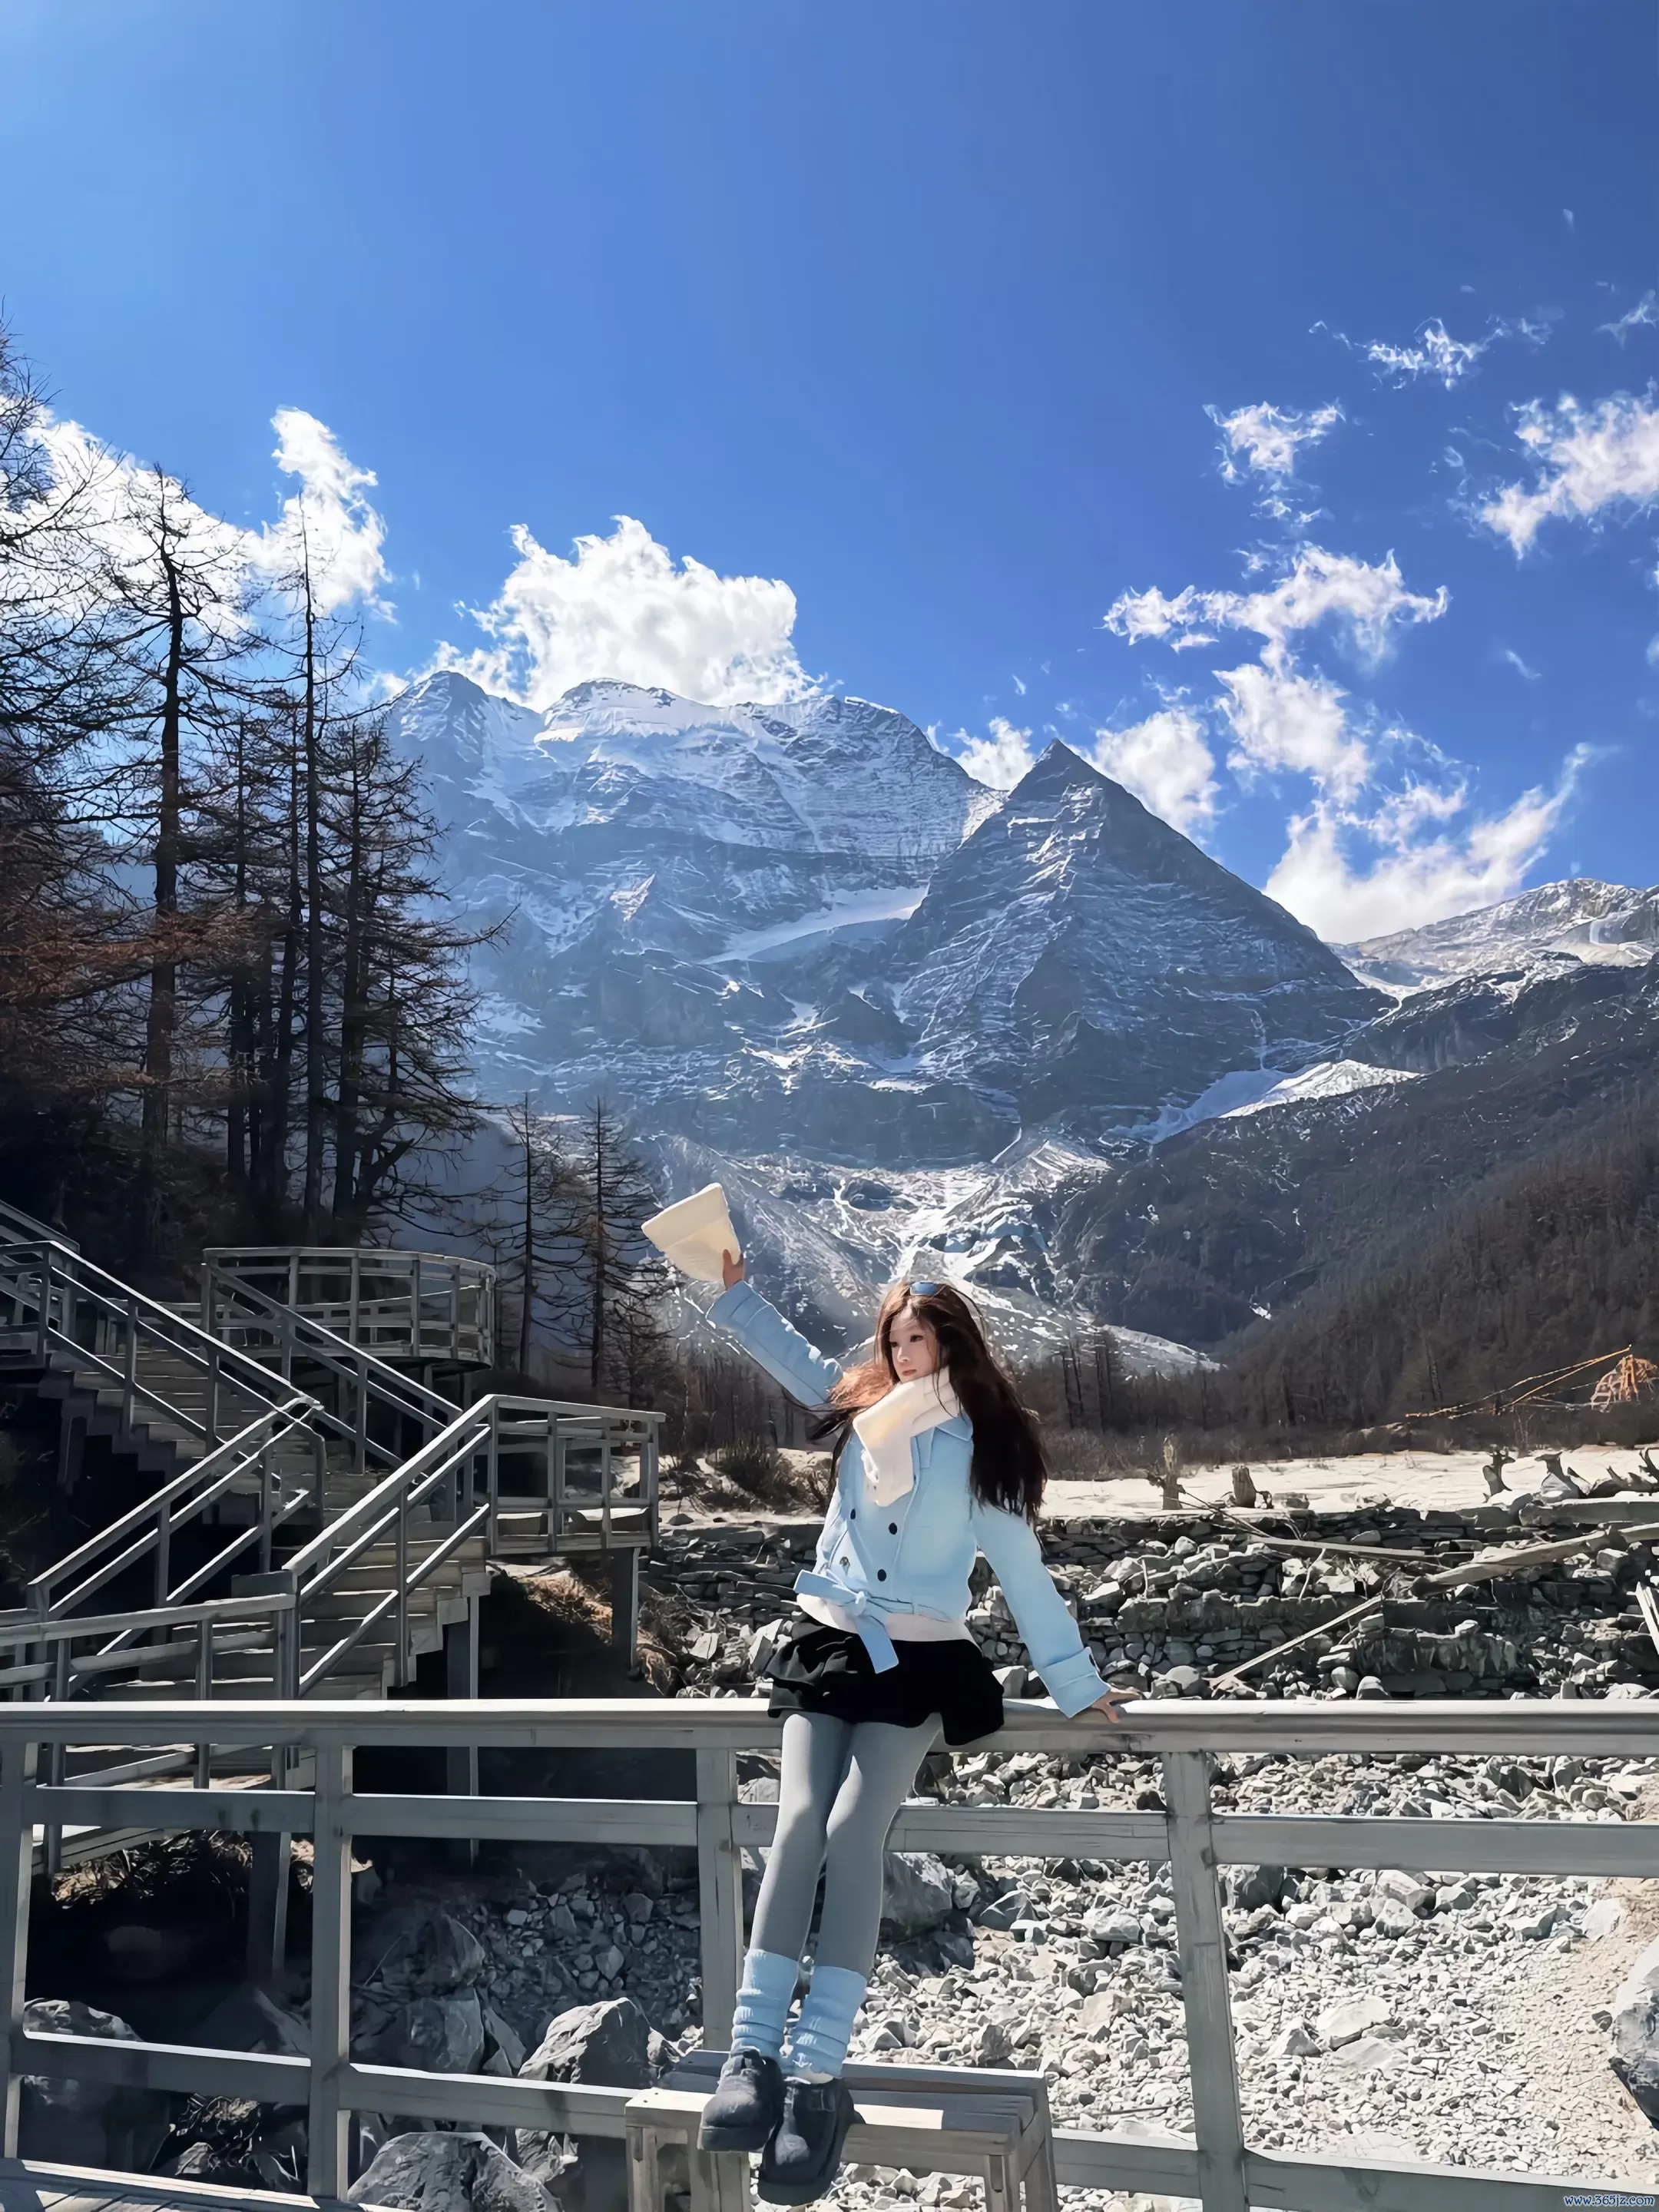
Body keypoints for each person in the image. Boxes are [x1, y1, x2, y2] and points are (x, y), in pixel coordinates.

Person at [695, 1256, 1131, 2204]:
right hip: (829, 1640)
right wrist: (734, 1294)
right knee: (796, 1823)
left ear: (950, 1344)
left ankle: (817, 2079)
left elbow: (1021, 1571)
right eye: (892, 1339)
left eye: (917, 1338)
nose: (901, 1353)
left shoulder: (982, 1446)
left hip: (921, 1659)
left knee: (857, 1830)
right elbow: (797, 1362)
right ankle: (751, 2056)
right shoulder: (864, 1409)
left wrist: (1075, 1683)